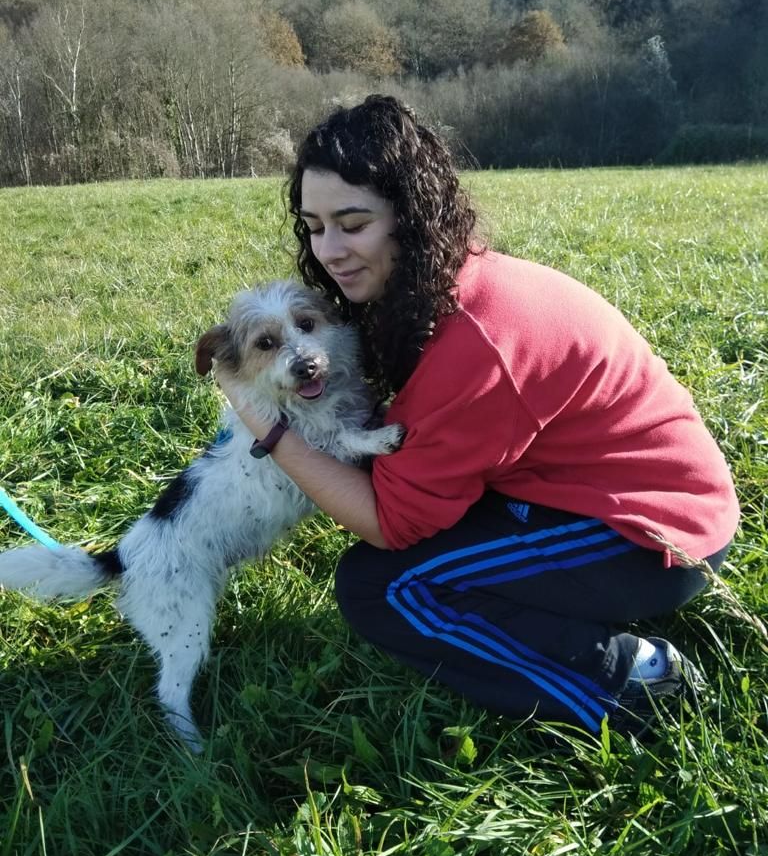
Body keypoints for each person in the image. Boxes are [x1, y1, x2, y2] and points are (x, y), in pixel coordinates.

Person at [215, 94, 739, 737]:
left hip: (652, 536)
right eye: (315, 226)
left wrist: (268, 428)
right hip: (591, 494)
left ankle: (632, 681)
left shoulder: (474, 342)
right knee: (415, 557)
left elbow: (388, 522)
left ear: (409, 216)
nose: (328, 250)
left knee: (382, 588)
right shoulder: (437, 284)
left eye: (353, 224)